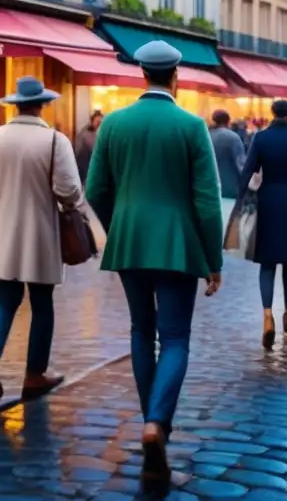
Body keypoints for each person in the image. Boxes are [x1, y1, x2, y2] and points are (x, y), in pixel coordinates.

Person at [86, 40, 223, 487]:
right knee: (177, 338)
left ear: (141, 75)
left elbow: (96, 191)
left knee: (141, 333)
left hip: (129, 243)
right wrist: (213, 258)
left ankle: (152, 421)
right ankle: (157, 424)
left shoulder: (114, 124)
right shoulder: (190, 125)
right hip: (179, 247)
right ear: (176, 77)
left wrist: (118, 224)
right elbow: (206, 201)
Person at [0, 77, 91, 399]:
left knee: (5, 298)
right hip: (38, 228)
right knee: (41, 303)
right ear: (43, 104)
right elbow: (69, 190)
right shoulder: (54, 140)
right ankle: (34, 374)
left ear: (15, 104)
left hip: (1, 227)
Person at [232, 99, 287, 349]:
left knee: (267, 262)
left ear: (272, 113)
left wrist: (242, 199)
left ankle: (267, 314)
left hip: (267, 198)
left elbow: (248, 170)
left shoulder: (260, 139)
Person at [209, 110, 245, 199]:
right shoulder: (233, 137)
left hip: (210, 186)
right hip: (230, 187)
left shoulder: (206, 135)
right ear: (228, 121)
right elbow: (240, 163)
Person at [74, 110, 102, 186]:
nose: (98, 123)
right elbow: (94, 148)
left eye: (100, 121)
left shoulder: (99, 133)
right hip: (85, 166)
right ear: (92, 121)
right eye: (97, 121)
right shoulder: (85, 134)